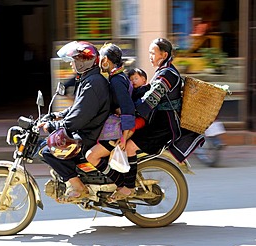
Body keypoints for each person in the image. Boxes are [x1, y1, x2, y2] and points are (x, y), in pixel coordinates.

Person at [123, 38, 204, 200]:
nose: (150, 57)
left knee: (129, 147)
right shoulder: (164, 71)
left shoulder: (167, 74)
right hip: (158, 122)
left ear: (164, 54)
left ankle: (128, 187)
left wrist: (131, 109)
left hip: (164, 126)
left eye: (153, 53)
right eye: (149, 53)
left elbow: (152, 98)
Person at [39, 41, 111, 203]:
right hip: (88, 129)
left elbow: (79, 117)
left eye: (73, 61)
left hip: (89, 134)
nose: (71, 64)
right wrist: (56, 115)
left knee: (48, 151)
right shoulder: (88, 80)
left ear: (82, 62)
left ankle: (78, 186)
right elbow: (77, 109)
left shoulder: (93, 84)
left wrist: (54, 126)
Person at [85, 43, 136, 200]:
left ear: (105, 60)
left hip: (117, 131)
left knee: (91, 156)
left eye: (100, 58)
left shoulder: (116, 80)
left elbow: (128, 109)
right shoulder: (117, 76)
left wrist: (124, 136)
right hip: (116, 127)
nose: (99, 61)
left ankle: (122, 185)